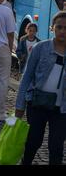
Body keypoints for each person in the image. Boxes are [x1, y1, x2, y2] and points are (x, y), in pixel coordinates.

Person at [15, 12, 66, 165]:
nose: (63, 31)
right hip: (37, 103)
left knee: (56, 147)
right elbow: (27, 77)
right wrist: (19, 105)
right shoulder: (40, 48)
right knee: (33, 141)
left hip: (62, 108)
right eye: (59, 27)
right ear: (52, 28)